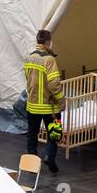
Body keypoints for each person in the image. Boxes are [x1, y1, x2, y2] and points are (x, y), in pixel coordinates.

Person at [24, 29, 64, 174]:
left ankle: (31, 162)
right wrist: (61, 100)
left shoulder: (29, 57)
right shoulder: (49, 59)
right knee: (55, 133)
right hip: (49, 107)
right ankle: (50, 156)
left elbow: (28, 78)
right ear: (48, 42)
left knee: (32, 133)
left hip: (32, 105)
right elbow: (54, 83)